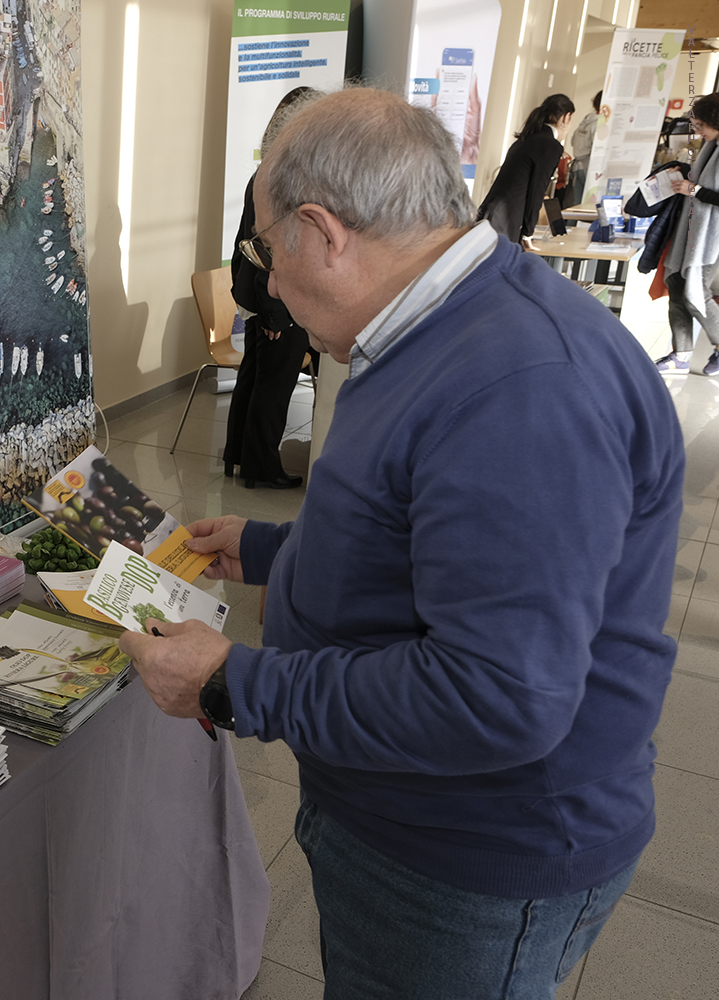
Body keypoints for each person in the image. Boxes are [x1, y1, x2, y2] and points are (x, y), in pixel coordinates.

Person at [120, 88, 683, 1000]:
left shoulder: (522, 390)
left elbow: (498, 697)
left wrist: (235, 681)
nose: (264, 278)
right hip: (403, 812)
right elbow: (428, 532)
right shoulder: (437, 325)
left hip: (472, 856)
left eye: (265, 250)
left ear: (323, 231)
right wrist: (270, 551)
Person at [224, 87, 320, 490]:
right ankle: (262, 468)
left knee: (253, 375)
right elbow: (271, 253)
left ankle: (238, 455)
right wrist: (278, 313)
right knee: (273, 386)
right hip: (275, 300)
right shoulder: (286, 179)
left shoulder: (266, 172)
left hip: (255, 294)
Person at [654, 93, 719, 377]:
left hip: (711, 237)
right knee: (678, 287)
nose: (698, 130)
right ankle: (680, 354)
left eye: (702, 124)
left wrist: (694, 191)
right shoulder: (712, 146)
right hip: (693, 232)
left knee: (696, 292)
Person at [477, 93, 576, 244]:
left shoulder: (526, 138)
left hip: (491, 214)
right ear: (566, 117)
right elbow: (537, 190)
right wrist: (528, 233)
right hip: (506, 220)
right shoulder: (551, 146)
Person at [561, 90, 601, 208]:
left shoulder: (585, 122)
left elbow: (573, 141)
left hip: (577, 168)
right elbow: (598, 149)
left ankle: (569, 226)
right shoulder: (599, 124)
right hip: (589, 169)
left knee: (576, 204)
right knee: (586, 207)